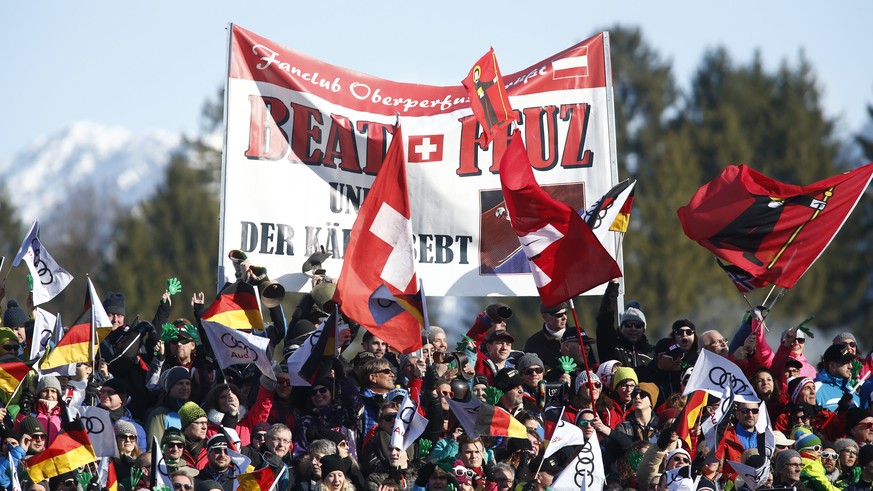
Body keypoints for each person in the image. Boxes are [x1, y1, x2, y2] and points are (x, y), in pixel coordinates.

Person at [595, 279, 653, 369]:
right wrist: (613, 286)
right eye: (628, 325)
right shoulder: (611, 347)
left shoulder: (651, 352)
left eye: (638, 326)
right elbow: (604, 320)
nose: (633, 328)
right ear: (621, 327)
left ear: (644, 329)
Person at [522, 302, 569, 370]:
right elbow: (526, 371)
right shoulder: (533, 343)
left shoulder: (577, 336)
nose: (565, 317)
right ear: (545, 317)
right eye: (559, 315)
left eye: (565, 313)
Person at [816, 344, 860, 411]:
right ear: (832, 365)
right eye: (846, 362)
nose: (850, 366)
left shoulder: (853, 391)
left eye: (851, 362)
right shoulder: (816, 389)